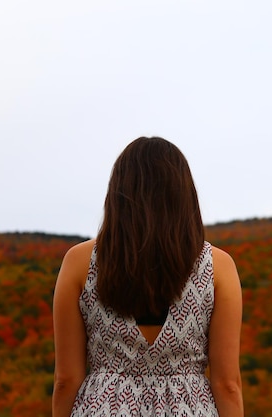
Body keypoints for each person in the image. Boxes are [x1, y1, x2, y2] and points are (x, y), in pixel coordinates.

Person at [52, 137, 244, 416]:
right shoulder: (218, 267)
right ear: (183, 195)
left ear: (117, 194)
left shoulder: (79, 263)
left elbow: (66, 380)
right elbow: (228, 384)